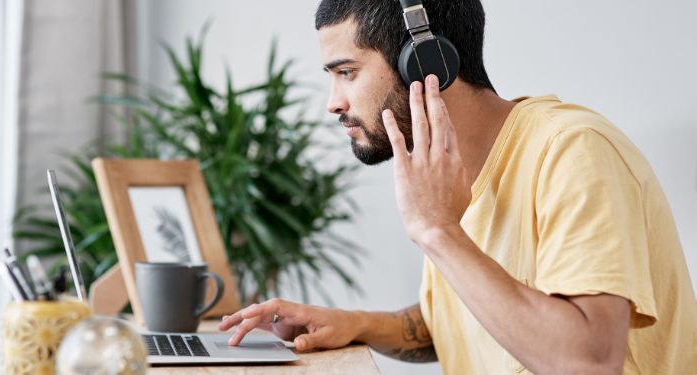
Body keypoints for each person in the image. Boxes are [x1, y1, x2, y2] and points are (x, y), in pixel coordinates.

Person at [219, 0, 697, 373]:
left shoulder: (573, 152)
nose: (333, 103)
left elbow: (588, 362)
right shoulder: (447, 171)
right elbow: (477, 316)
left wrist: (438, 232)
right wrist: (357, 324)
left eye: (347, 72)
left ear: (425, 63)